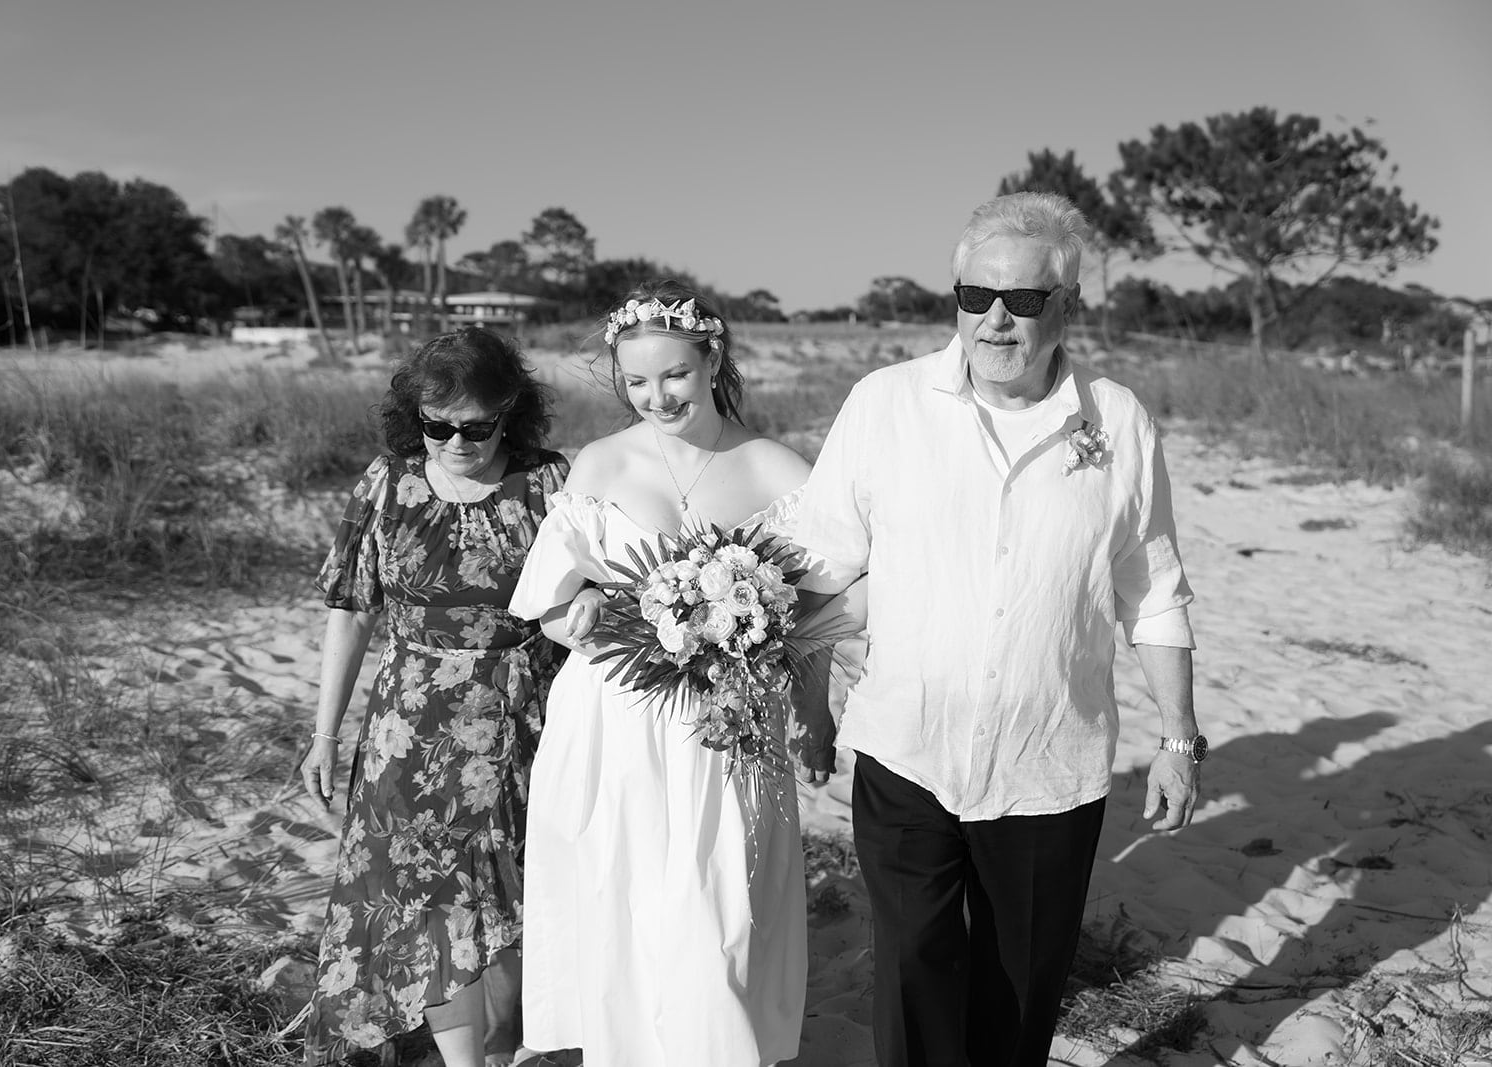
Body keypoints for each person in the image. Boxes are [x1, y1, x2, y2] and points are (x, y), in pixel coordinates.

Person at [792, 191, 1205, 1067]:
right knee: (913, 974)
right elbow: (820, 564)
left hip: (1049, 760)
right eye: (976, 295)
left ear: (1069, 307)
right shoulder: (885, 403)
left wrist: (1179, 738)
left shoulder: (1119, 420)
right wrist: (792, 686)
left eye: (1023, 301)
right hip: (907, 744)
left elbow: (1153, 590)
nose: (994, 320)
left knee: (1019, 989)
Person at [507, 279, 838, 1067]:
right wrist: (574, 612)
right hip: (613, 722)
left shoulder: (777, 469)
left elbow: (821, 617)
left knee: (716, 905)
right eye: (638, 380)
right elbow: (546, 606)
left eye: (675, 375)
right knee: (623, 899)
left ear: (711, 357)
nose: (656, 395)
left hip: (727, 728)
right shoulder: (600, 462)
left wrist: (817, 718)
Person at [298, 327, 570, 1067]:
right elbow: (352, 611)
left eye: (477, 426)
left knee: (518, 897)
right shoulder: (386, 483)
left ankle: (508, 1041)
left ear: (510, 411)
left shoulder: (548, 483)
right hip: (409, 730)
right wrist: (325, 736)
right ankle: (465, 1060)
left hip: (527, 719)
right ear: (413, 415)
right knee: (433, 905)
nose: (457, 440)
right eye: (437, 424)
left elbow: (593, 608)